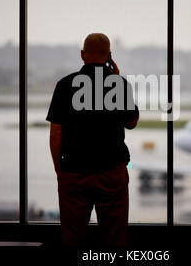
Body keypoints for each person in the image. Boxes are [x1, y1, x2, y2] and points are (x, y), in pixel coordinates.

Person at [46, 33, 139, 247]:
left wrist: (60, 171)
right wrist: (116, 78)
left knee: (72, 238)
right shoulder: (119, 84)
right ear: (109, 56)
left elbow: (55, 134)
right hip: (111, 173)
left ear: (82, 55)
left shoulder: (64, 85)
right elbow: (132, 123)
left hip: (74, 172)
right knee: (115, 238)